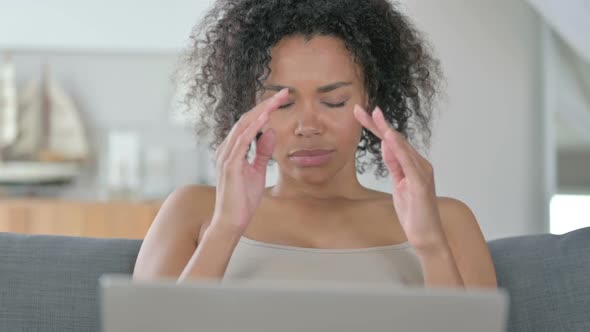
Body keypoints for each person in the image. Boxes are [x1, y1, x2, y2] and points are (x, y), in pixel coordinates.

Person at [133, 0, 497, 288]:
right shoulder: (193, 212)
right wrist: (225, 229)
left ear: (369, 98)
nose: (308, 126)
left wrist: (430, 246)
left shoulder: (448, 223)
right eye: (284, 103)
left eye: (334, 101)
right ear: (252, 108)